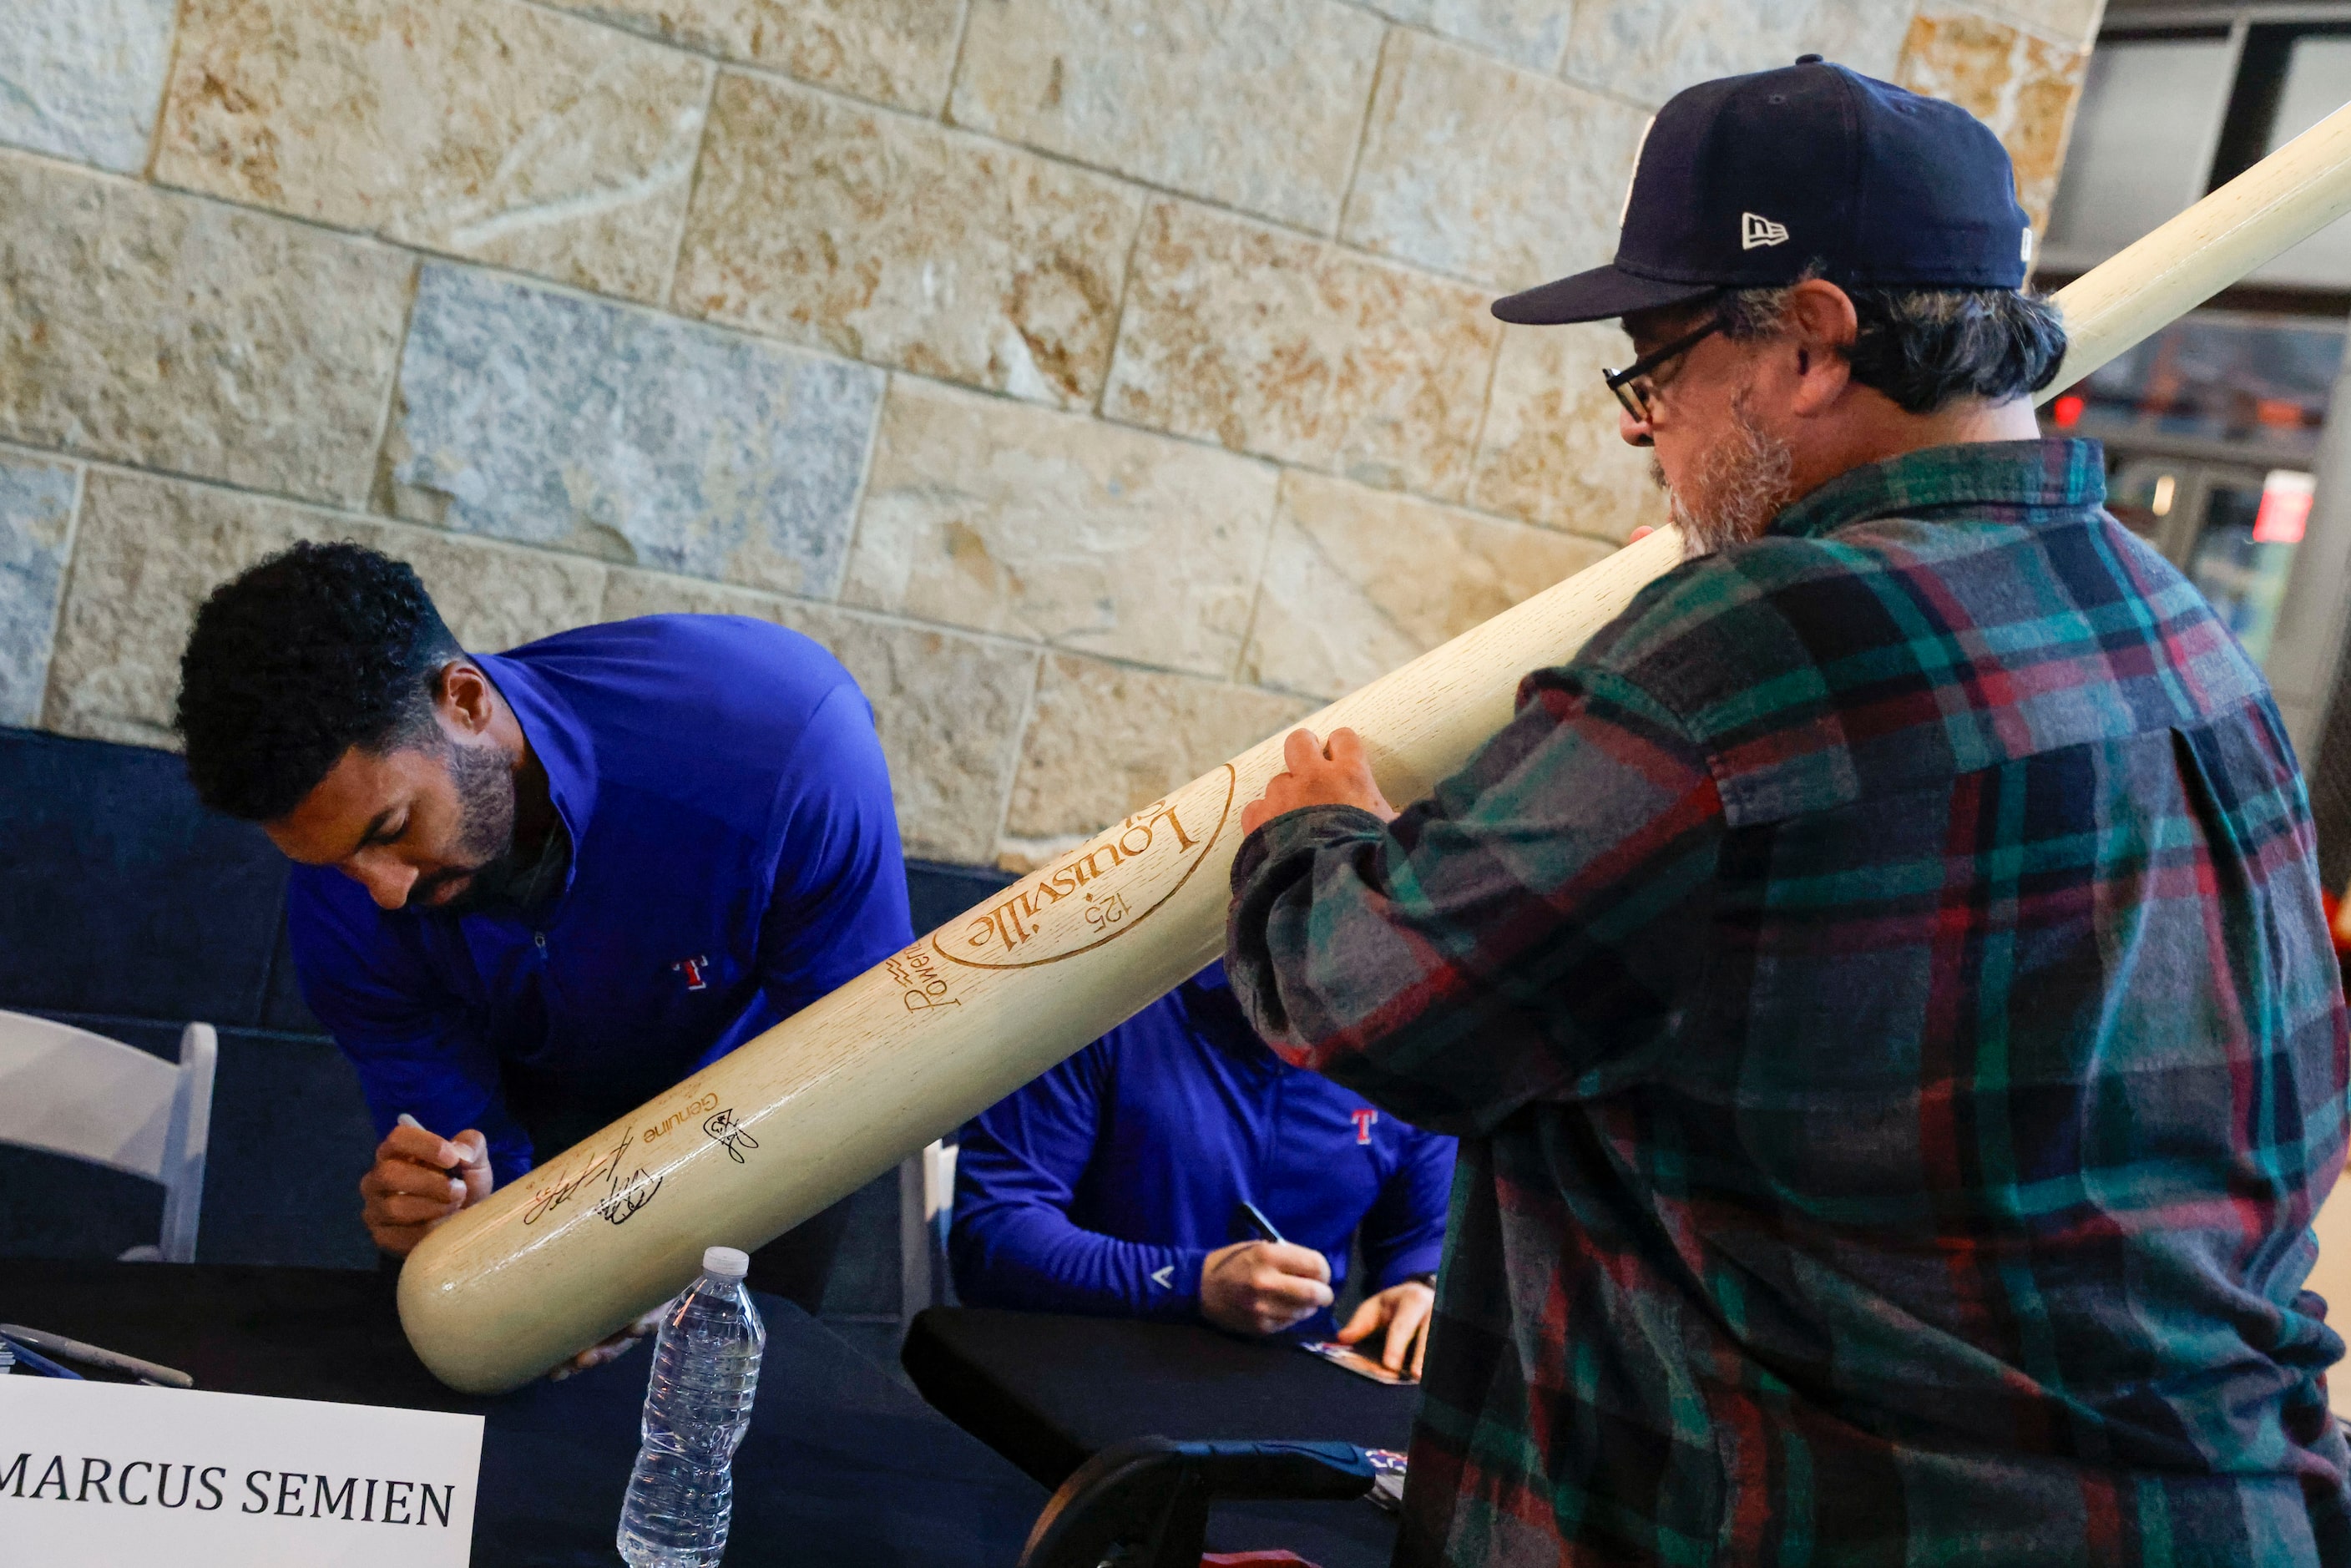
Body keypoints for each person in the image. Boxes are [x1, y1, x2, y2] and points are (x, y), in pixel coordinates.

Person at [1225, 58, 2351, 1565]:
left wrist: (1309, 835)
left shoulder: (1756, 643)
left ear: (1813, 338)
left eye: (1658, 359)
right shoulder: (2188, 640)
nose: (1643, 428)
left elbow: (1367, 1000)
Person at [175, 543, 910, 1368]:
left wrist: (666, 1261)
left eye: (390, 830)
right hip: (531, 1122)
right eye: (338, 860)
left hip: (763, 1123)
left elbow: (858, 1061)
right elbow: (468, 1143)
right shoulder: (338, 905)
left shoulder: (780, 746)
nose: (380, 890)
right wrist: (459, 1212)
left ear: (462, 700)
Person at [951, 959, 1455, 1376]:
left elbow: (1421, 1242)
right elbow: (996, 1231)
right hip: (1091, 1367)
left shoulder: (1412, 1044)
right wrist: (1196, 1283)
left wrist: (1420, 1290)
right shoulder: (1098, 1001)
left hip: (1295, 1397)